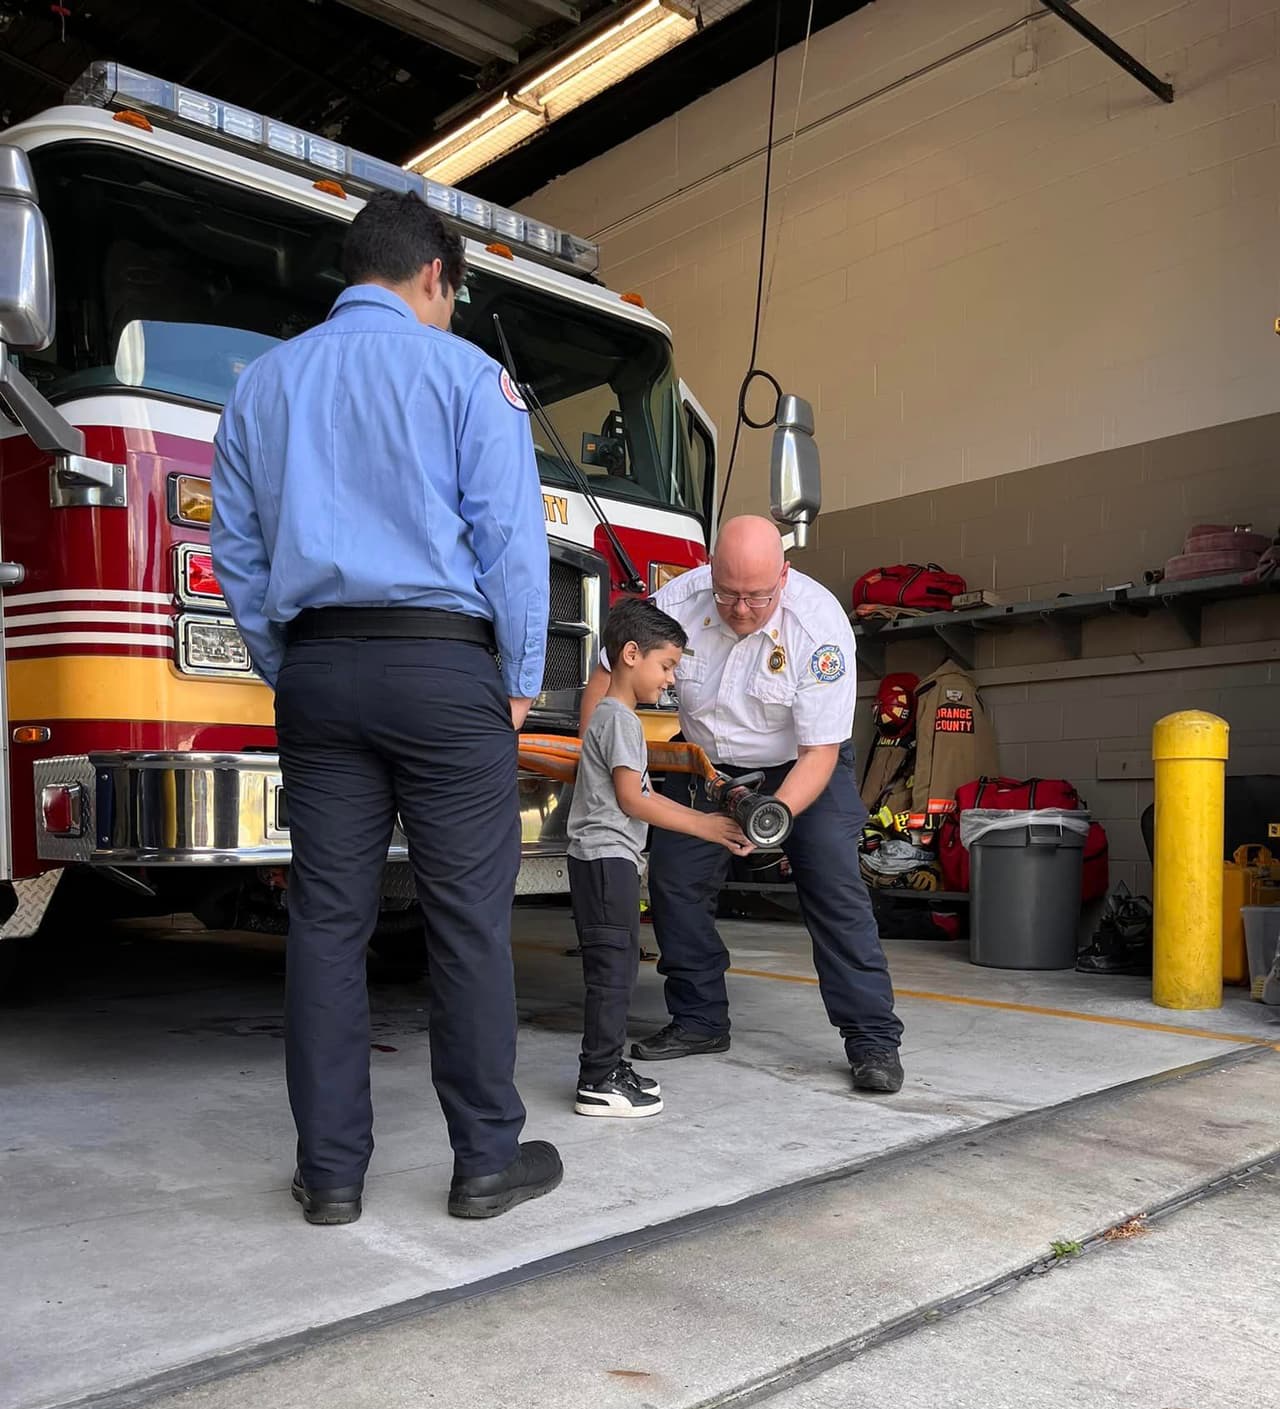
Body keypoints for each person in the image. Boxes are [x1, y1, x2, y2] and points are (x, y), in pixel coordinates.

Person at [212, 191, 562, 1226]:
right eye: (450, 296)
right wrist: (515, 683)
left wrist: (293, 663)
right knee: (465, 920)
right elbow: (508, 541)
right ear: (432, 279)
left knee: (325, 924)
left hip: (319, 670)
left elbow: (238, 553)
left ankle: (328, 1177)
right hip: (443, 669)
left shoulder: (261, 386)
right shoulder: (465, 376)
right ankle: (485, 1161)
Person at [579, 514, 905, 1094]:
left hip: (800, 764)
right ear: (710, 573)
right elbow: (607, 674)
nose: (741, 608)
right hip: (705, 762)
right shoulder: (678, 599)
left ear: (784, 574)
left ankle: (872, 1037)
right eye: (728, 593)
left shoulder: (819, 624)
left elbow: (820, 753)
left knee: (832, 884)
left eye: (757, 596)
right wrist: (596, 756)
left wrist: (770, 820)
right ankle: (700, 1019)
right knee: (675, 881)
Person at [567, 598, 753, 1119]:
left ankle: (607, 1068)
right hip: (606, 858)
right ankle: (598, 1079)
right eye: (667, 665)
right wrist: (706, 826)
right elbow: (634, 800)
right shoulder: (621, 720)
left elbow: (639, 795)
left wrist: (708, 823)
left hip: (609, 859)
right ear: (631, 654)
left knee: (618, 966)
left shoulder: (614, 716)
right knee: (613, 973)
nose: (671, 680)